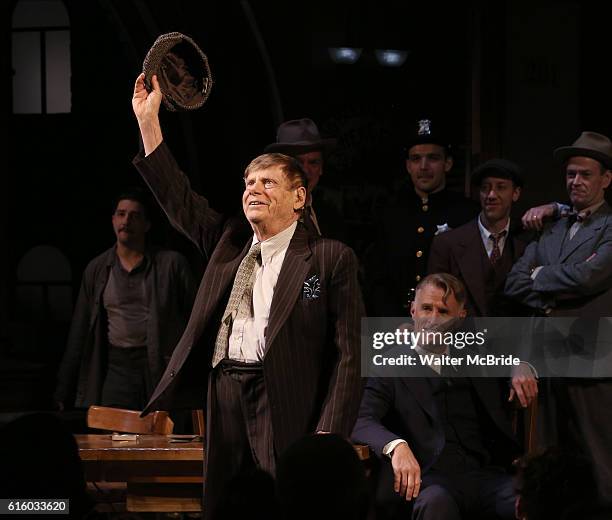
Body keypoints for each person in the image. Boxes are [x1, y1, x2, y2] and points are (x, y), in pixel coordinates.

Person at [132, 73, 364, 519]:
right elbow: (178, 197)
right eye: (248, 182)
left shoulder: (329, 257)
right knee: (223, 505)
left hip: (278, 390)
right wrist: (148, 122)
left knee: (283, 504)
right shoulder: (229, 241)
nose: (252, 189)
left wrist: (328, 438)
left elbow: (350, 355)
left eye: (267, 183)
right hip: (223, 390)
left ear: (300, 197)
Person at [353, 273, 519, 520]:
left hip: (485, 476)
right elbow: (362, 420)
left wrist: (523, 366)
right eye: (426, 308)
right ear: (413, 311)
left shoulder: (476, 358)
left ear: (460, 317)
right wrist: (396, 445)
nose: (432, 319)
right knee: (437, 504)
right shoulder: (389, 364)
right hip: (428, 479)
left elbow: (508, 363)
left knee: (529, 500)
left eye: (443, 312)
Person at [505, 131, 612, 504]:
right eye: (570, 175)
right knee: (548, 463)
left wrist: (541, 276)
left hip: (591, 359)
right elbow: (515, 282)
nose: (576, 182)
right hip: (547, 358)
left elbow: (589, 277)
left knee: (600, 462)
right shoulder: (554, 228)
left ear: (605, 179)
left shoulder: (610, 226)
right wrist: (545, 280)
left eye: (585, 174)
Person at [54, 188, 196, 411]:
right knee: (114, 434)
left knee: (160, 435)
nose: (126, 221)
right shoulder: (98, 269)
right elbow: (80, 330)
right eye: (121, 214)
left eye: (134, 215)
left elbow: (195, 320)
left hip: (159, 365)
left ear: (147, 225)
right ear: (113, 220)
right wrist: (64, 389)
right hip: (118, 367)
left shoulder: (171, 265)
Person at [367, 119, 479, 316]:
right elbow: (378, 277)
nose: (424, 166)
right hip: (398, 323)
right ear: (408, 166)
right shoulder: (390, 213)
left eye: (433, 158)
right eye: (416, 159)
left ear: (448, 163)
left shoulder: (467, 213)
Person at [264, 118, 348, 241]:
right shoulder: (261, 215)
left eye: (313, 162)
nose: (305, 170)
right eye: (297, 162)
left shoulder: (331, 215)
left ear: (321, 169)